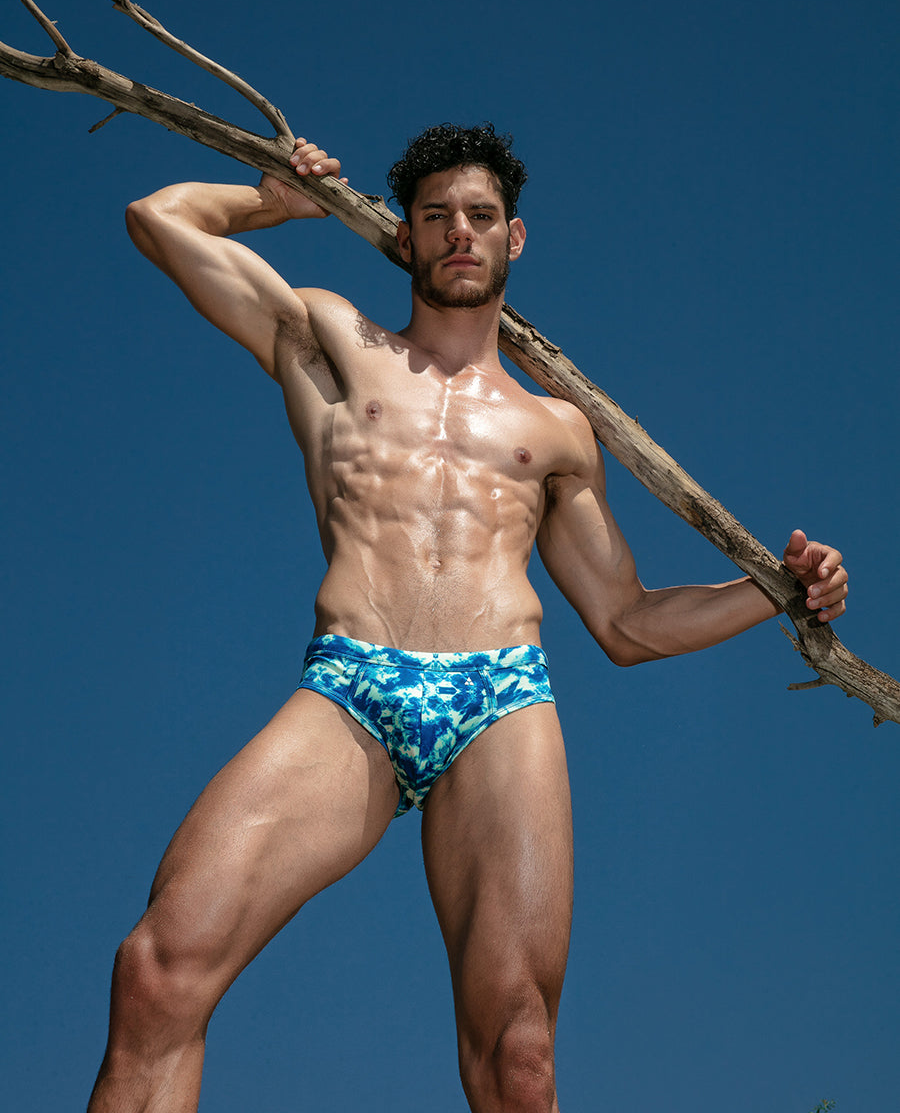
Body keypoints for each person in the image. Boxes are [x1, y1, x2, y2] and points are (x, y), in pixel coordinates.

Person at [87, 123, 848, 1113]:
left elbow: (626, 623)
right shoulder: (332, 339)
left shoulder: (557, 427)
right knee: (158, 971)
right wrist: (272, 201)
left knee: (517, 1049)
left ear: (513, 240)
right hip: (352, 684)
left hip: (501, 698)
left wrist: (776, 593)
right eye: (436, 216)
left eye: (480, 217)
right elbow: (159, 219)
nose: (459, 233)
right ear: (401, 236)